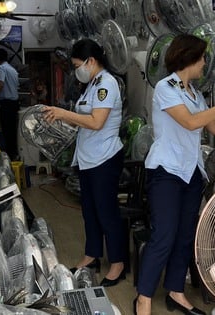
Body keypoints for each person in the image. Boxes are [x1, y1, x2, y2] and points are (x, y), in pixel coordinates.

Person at [135, 34, 215, 315]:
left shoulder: (195, 93)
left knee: (184, 237)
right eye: (202, 57)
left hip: (191, 173)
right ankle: (143, 298)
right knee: (164, 236)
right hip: (167, 172)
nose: (205, 63)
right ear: (189, 58)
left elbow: (213, 128)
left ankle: (175, 292)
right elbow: (191, 122)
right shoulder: (165, 88)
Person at [42, 38, 126, 287]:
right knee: (89, 211)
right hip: (89, 157)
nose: (77, 70)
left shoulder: (106, 84)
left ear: (91, 61)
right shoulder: (91, 85)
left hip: (105, 158)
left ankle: (118, 263)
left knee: (106, 212)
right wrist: (61, 119)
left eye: (78, 64)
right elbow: (82, 119)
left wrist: (64, 113)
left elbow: (96, 121)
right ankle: (92, 255)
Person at [0, 48, 20, 160]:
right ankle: (14, 153)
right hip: (14, 103)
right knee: (12, 130)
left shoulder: (1, 68)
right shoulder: (12, 69)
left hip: (7, 104)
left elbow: (0, 84)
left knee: (7, 130)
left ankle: (9, 156)